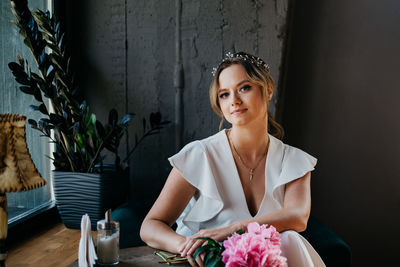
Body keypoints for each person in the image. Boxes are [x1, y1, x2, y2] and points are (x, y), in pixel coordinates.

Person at [140, 52, 325, 267]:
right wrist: (189, 245)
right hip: (206, 264)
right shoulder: (201, 155)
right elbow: (150, 225)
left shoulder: (293, 160)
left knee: (289, 238)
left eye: (244, 88)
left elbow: (298, 216)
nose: (234, 101)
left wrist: (232, 228)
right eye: (224, 94)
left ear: (269, 89)